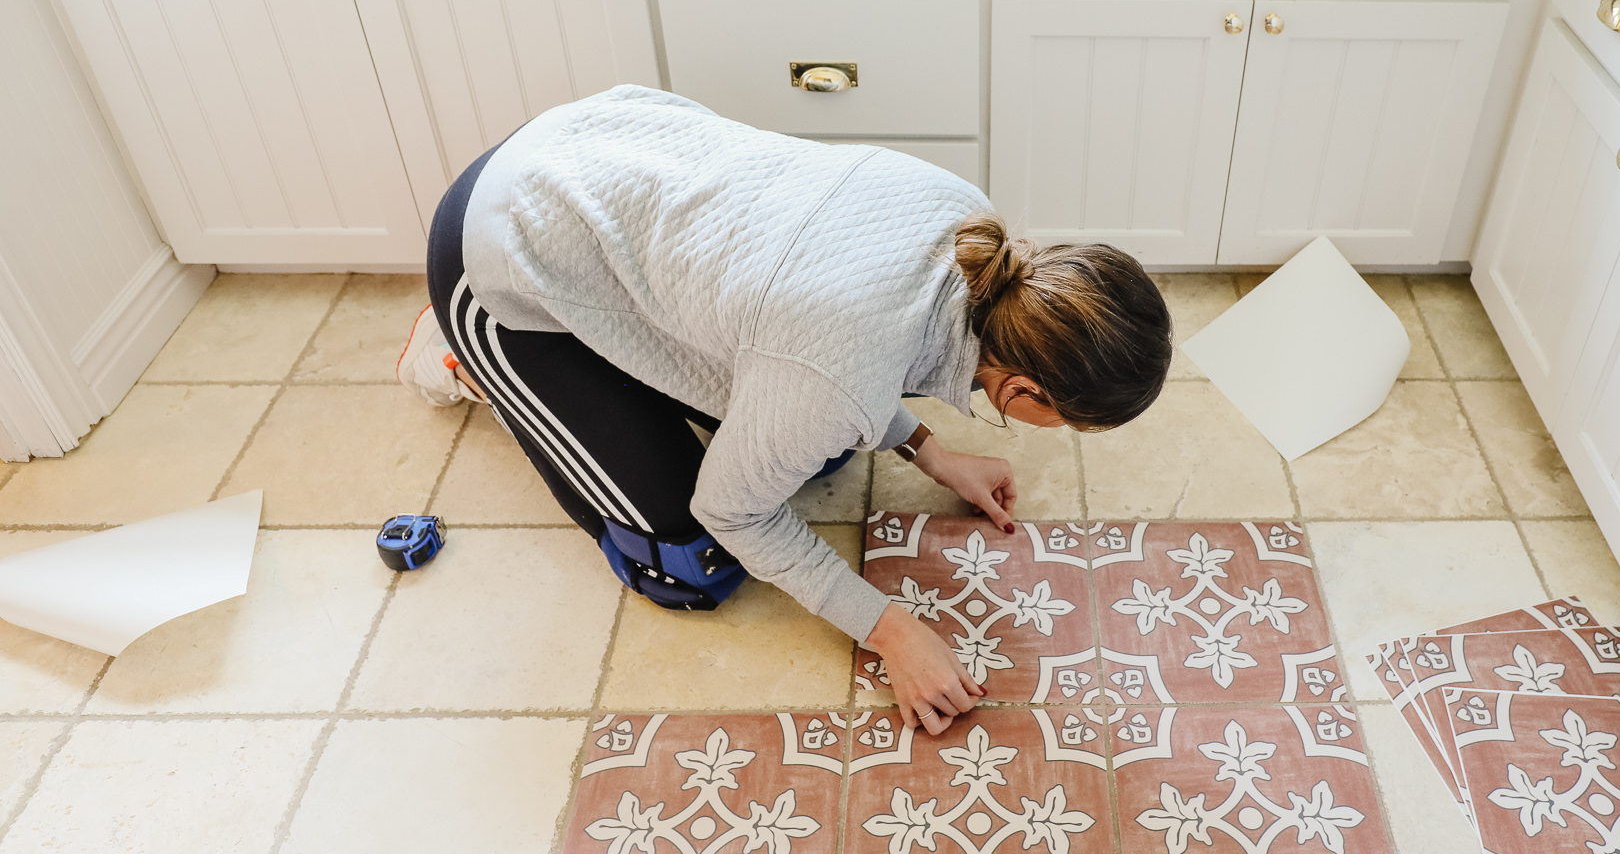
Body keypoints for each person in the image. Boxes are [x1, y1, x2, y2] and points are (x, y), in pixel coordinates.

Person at [399, 85, 1172, 738]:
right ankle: (466, 360)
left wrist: (932, 451)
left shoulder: (972, 222)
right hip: (497, 241)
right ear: (1027, 392)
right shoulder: (839, 371)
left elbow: (851, 368)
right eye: (1068, 422)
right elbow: (738, 504)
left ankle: (584, 351)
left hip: (604, 151)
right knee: (689, 565)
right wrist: (890, 630)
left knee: (824, 448)